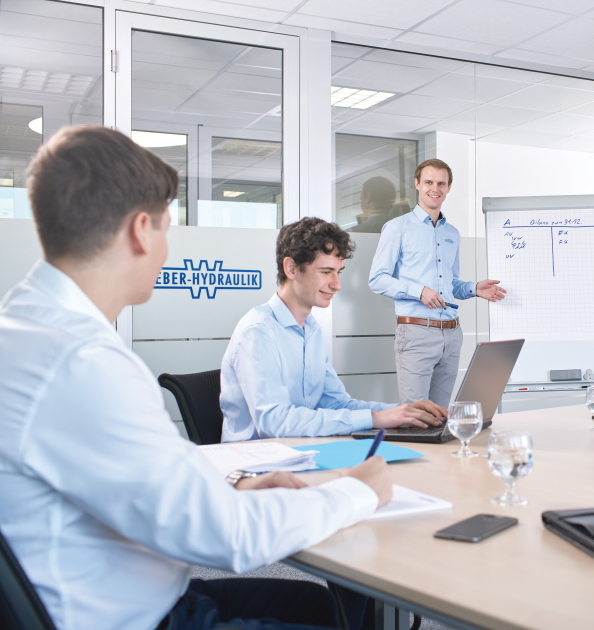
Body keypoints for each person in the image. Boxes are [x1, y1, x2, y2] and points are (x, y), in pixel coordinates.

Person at [0, 126, 393, 630]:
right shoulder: (83, 363)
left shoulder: (30, 329)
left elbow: (142, 474)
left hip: (118, 588)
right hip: (139, 616)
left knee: (318, 606)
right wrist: (357, 491)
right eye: (168, 230)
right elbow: (231, 539)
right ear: (141, 231)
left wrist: (233, 485)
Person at [220, 216, 446, 443]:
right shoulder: (258, 331)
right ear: (291, 268)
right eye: (326, 272)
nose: (337, 285)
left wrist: (402, 411)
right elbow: (274, 422)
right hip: (257, 458)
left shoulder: (310, 329)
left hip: (300, 449)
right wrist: (374, 418)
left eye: (339, 272)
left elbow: (337, 404)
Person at [368, 159, 506, 408]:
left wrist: (474, 288)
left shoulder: (451, 233)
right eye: (429, 182)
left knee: (441, 414)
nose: (435, 188)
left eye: (441, 183)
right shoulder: (397, 228)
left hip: (452, 335)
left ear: (449, 187)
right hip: (416, 333)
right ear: (417, 184)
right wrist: (418, 291)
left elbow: (449, 285)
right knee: (416, 415)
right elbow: (377, 280)